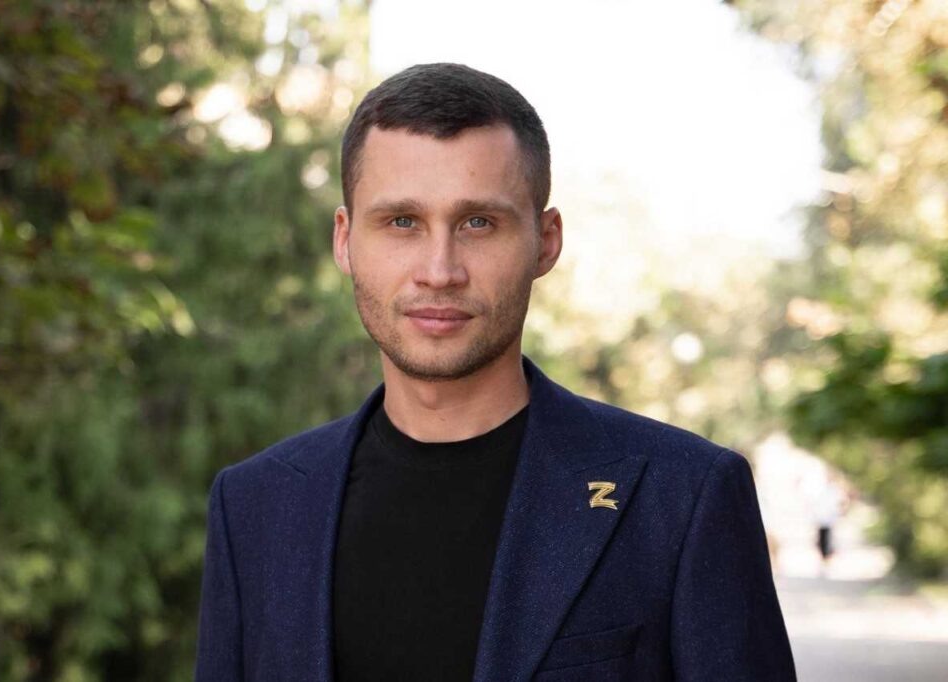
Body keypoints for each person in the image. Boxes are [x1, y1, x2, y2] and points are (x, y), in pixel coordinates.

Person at [195, 63, 796, 681]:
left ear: (546, 241)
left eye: (478, 223)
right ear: (345, 241)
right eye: (402, 221)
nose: (439, 271)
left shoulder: (683, 496)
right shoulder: (254, 507)